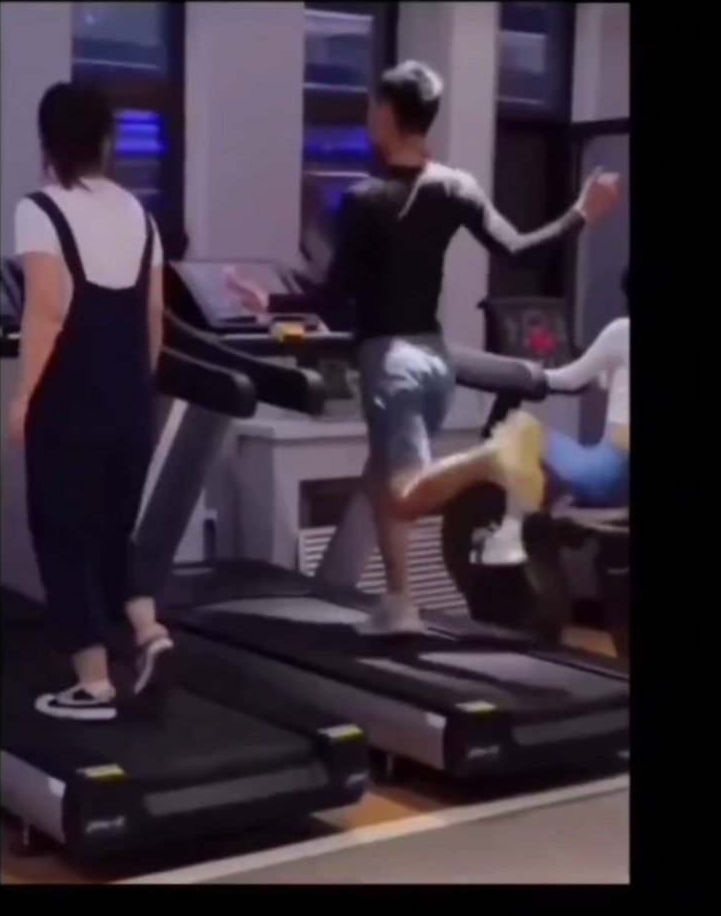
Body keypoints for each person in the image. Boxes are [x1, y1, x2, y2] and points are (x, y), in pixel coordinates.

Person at [227, 60, 620, 634]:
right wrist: (582, 213)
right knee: (381, 480)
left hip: (391, 363)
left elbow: (331, 297)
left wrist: (269, 303)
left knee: (405, 494)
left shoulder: (363, 200)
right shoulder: (456, 186)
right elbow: (521, 252)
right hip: (434, 360)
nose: (368, 115)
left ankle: (494, 458)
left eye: (372, 107)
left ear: (386, 115)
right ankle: (399, 604)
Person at [9, 82, 174, 721]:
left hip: (69, 395)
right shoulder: (140, 214)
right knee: (113, 531)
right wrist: (139, 389)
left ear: (48, 142)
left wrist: (24, 397)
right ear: (106, 141)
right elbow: (153, 315)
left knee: (62, 533)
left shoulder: (39, 209)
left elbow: (46, 311)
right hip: (131, 392)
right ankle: (149, 632)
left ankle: (93, 684)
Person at [407, 266, 631, 563]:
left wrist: (525, 374)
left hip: (611, 477)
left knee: (521, 431)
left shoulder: (621, 331)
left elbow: (568, 380)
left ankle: (509, 538)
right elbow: (604, 383)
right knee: (548, 458)